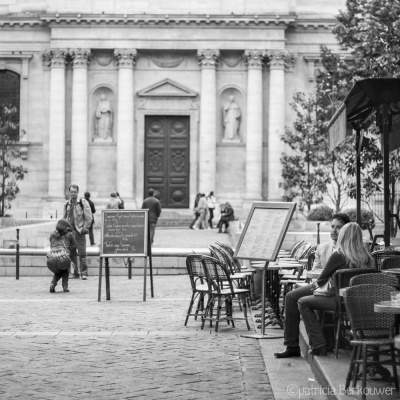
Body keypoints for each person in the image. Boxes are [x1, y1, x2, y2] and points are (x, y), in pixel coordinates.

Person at [274, 222, 373, 358]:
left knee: (297, 299)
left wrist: (314, 286)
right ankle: (323, 342)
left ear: (343, 236)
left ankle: (312, 345)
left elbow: (321, 280)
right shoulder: (368, 257)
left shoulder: (339, 255)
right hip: (359, 302)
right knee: (295, 297)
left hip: (337, 298)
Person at [63, 184, 92, 280]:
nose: (73, 193)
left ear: (78, 192)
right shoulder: (67, 204)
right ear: (69, 192)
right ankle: (75, 273)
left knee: (82, 253)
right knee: (72, 254)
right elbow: (64, 218)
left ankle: (84, 273)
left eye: (75, 192)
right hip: (69, 232)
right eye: (71, 192)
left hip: (79, 232)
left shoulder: (83, 203)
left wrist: (85, 228)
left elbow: (89, 218)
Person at [49, 219, 76, 293]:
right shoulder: (69, 234)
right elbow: (74, 246)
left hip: (51, 257)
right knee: (65, 269)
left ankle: (53, 284)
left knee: (58, 271)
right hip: (63, 257)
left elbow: (51, 244)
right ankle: (65, 287)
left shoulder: (52, 234)